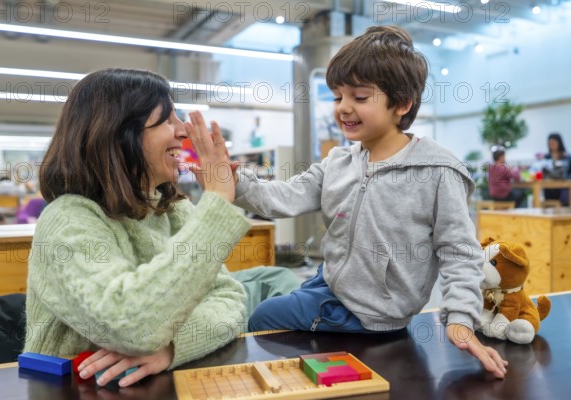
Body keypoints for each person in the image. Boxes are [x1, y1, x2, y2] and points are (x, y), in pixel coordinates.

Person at [211, 25, 507, 378]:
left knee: (262, 315)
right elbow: (284, 198)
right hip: (333, 281)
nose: (343, 108)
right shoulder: (340, 161)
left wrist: (460, 319)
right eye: (337, 97)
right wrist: (233, 182)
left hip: (368, 313)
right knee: (278, 287)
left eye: (360, 98)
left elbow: (459, 251)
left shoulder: (439, 171)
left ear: (402, 104)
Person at [24, 68, 252, 388]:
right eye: (168, 120)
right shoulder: (67, 221)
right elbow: (131, 325)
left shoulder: (172, 209)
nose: (183, 132)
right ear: (120, 133)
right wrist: (216, 204)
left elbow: (230, 300)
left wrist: (172, 347)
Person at [543, 133, 569, 206]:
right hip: (549, 186)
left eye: (553, 143)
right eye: (550, 143)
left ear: (559, 143)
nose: (551, 145)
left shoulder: (566, 157)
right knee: (547, 189)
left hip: (563, 186)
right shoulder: (546, 157)